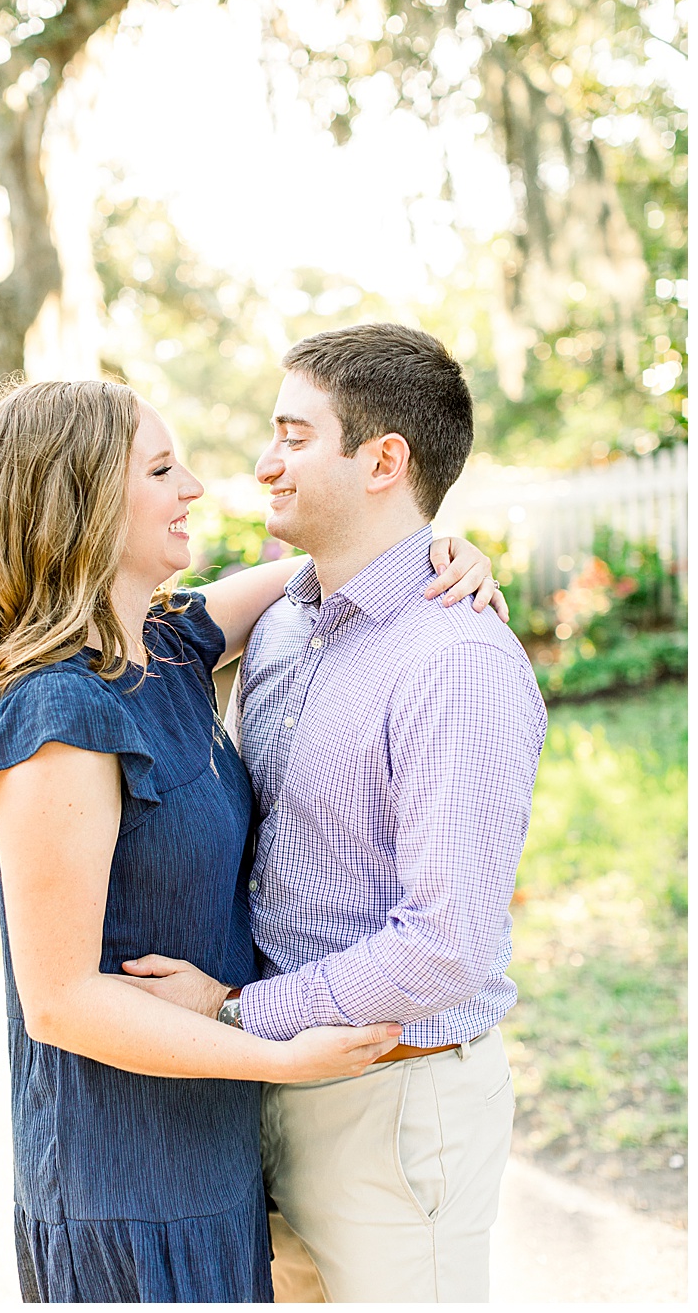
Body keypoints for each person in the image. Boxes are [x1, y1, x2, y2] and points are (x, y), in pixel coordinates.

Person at [0, 378, 505, 1302]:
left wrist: (443, 545)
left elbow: (326, 570)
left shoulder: (168, 648)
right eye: (161, 469)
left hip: (212, 1140)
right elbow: (62, 1002)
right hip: (125, 1173)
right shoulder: (60, 712)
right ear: (77, 501)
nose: (195, 485)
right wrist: (274, 1050)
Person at [120, 324, 547, 1302]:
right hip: (261, 1095)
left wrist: (231, 1012)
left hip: (392, 1104)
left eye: (294, 435)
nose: (264, 463)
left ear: (383, 459)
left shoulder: (458, 664)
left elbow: (449, 942)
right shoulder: (280, 626)